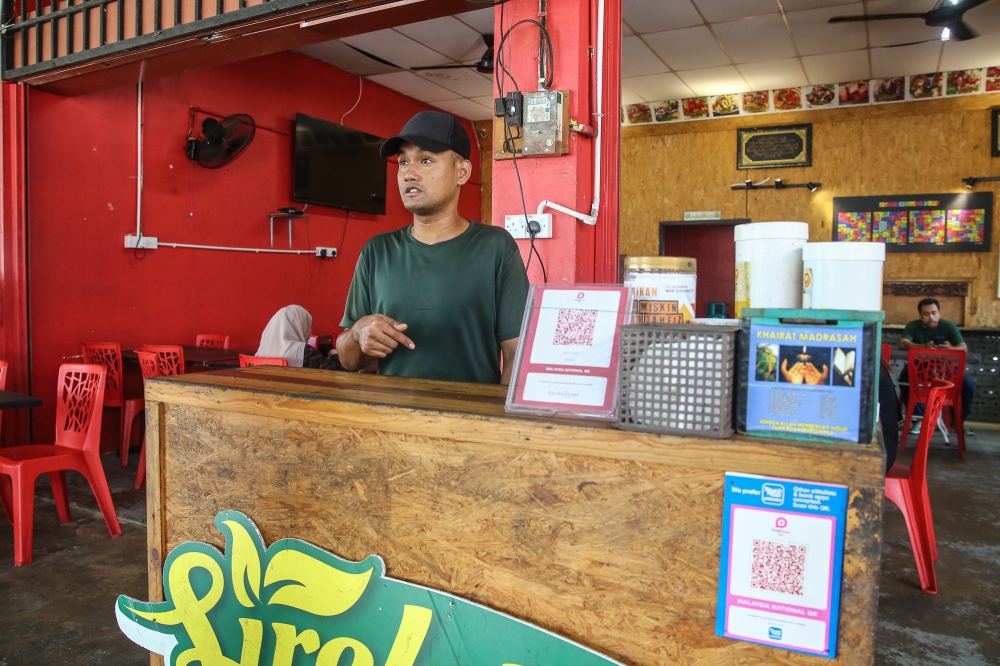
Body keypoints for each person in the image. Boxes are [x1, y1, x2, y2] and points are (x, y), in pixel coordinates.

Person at [336, 111, 529, 385]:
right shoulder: (377, 251)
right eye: (403, 162)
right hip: (390, 420)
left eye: (425, 160)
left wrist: (498, 422)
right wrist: (357, 334)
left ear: (462, 172)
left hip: (469, 421)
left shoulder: (496, 247)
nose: (409, 173)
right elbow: (348, 359)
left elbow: (516, 354)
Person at [898, 297, 974, 421]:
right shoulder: (913, 326)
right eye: (926, 314)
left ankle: (957, 421)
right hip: (920, 367)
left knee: (968, 386)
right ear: (920, 315)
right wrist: (924, 346)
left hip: (946, 369)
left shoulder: (948, 326)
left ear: (939, 313)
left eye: (934, 313)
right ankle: (919, 418)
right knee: (904, 380)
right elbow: (903, 343)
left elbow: (963, 347)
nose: (931, 317)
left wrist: (950, 348)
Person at [257, 305, 342, 370]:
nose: (311, 332)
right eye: (309, 327)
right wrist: (334, 354)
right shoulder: (303, 351)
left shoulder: (261, 352)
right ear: (299, 327)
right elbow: (337, 370)